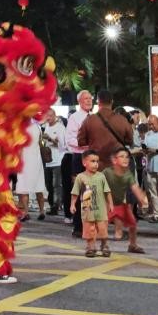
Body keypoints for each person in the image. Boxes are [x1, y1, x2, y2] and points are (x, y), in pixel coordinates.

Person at [104, 146, 150, 252]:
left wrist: (142, 199)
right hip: (107, 203)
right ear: (114, 160)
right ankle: (101, 246)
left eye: (127, 157)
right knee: (102, 225)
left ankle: (132, 245)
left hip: (120, 203)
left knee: (132, 223)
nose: (125, 159)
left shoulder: (128, 174)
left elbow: (135, 188)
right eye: (122, 156)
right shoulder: (107, 172)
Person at [70, 149, 112, 257]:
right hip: (87, 208)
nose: (96, 164)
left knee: (102, 228)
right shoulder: (80, 177)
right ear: (84, 163)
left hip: (101, 209)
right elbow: (75, 192)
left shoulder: (101, 176)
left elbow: (107, 191)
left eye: (97, 161)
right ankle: (91, 247)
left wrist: (110, 204)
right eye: (93, 161)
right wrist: (72, 204)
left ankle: (104, 245)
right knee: (89, 229)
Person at [78, 89, 135, 169]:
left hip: (97, 167)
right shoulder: (122, 120)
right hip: (117, 167)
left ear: (98, 102)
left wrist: (93, 140)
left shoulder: (89, 120)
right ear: (112, 101)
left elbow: (80, 141)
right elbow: (130, 140)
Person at [63, 91, 93, 237]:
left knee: (91, 192)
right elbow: (69, 139)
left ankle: (89, 225)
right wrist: (85, 144)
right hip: (79, 157)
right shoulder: (75, 118)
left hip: (92, 157)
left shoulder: (94, 117)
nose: (89, 101)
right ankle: (78, 226)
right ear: (80, 101)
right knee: (80, 192)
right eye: (86, 98)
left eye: (90, 98)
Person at [15, 113, 49, 221]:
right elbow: (40, 143)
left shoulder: (21, 128)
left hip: (25, 160)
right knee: (38, 186)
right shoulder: (37, 127)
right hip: (36, 159)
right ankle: (42, 211)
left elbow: (20, 147)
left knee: (24, 187)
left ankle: (25, 212)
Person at [141, 115, 158, 222]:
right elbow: (144, 148)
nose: (151, 126)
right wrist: (145, 150)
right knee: (153, 192)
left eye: (153, 124)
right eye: (149, 124)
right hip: (150, 166)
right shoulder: (148, 134)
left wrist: (155, 150)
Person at [40, 108, 66, 216]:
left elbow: (63, 145)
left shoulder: (60, 127)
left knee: (56, 185)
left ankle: (56, 205)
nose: (48, 118)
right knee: (48, 184)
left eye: (50, 116)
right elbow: (44, 143)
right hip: (48, 160)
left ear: (55, 116)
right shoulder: (46, 127)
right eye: (47, 116)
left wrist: (50, 139)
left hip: (58, 160)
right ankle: (52, 205)